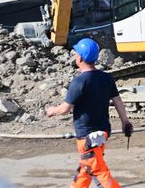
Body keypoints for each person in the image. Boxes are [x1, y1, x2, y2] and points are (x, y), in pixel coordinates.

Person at [46, 38, 133, 188]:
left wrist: (52, 110)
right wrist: (125, 121)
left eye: (76, 53)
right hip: (103, 133)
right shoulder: (106, 78)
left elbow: (65, 109)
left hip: (87, 137)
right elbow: (118, 101)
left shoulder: (79, 82)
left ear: (80, 58)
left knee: (99, 171)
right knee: (86, 169)